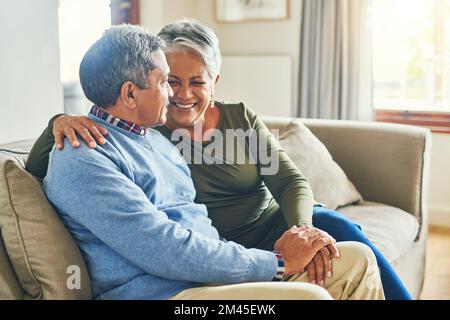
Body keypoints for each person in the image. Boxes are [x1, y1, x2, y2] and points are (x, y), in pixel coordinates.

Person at [37, 24, 384, 300]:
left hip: (211, 276)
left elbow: (286, 183)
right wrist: (277, 264)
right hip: (172, 294)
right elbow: (163, 248)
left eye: (193, 82)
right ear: (130, 93)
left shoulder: (155, 140)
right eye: (165, 82)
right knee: (312, 298)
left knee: (356, 260)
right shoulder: (84, 156)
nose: (176, 95)